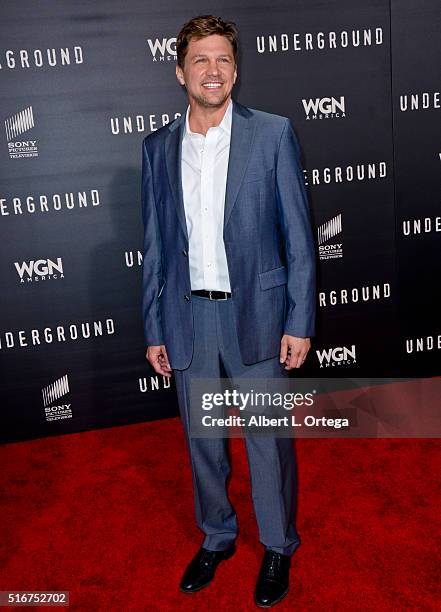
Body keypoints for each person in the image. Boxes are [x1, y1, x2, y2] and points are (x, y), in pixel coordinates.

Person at [141, 14, 316, 608]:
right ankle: (217, 536)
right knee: (203, 442)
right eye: (200, 60)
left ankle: (277, 545)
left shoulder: (272, 133)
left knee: (268, 442)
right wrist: (153, 325)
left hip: (259, 316)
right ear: (180, 71)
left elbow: (299, 236)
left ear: (235, 71)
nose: (211, 70)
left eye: (222, 60)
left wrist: (299, 319)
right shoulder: (158, 147)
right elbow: (157, 246)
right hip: (189, 318)